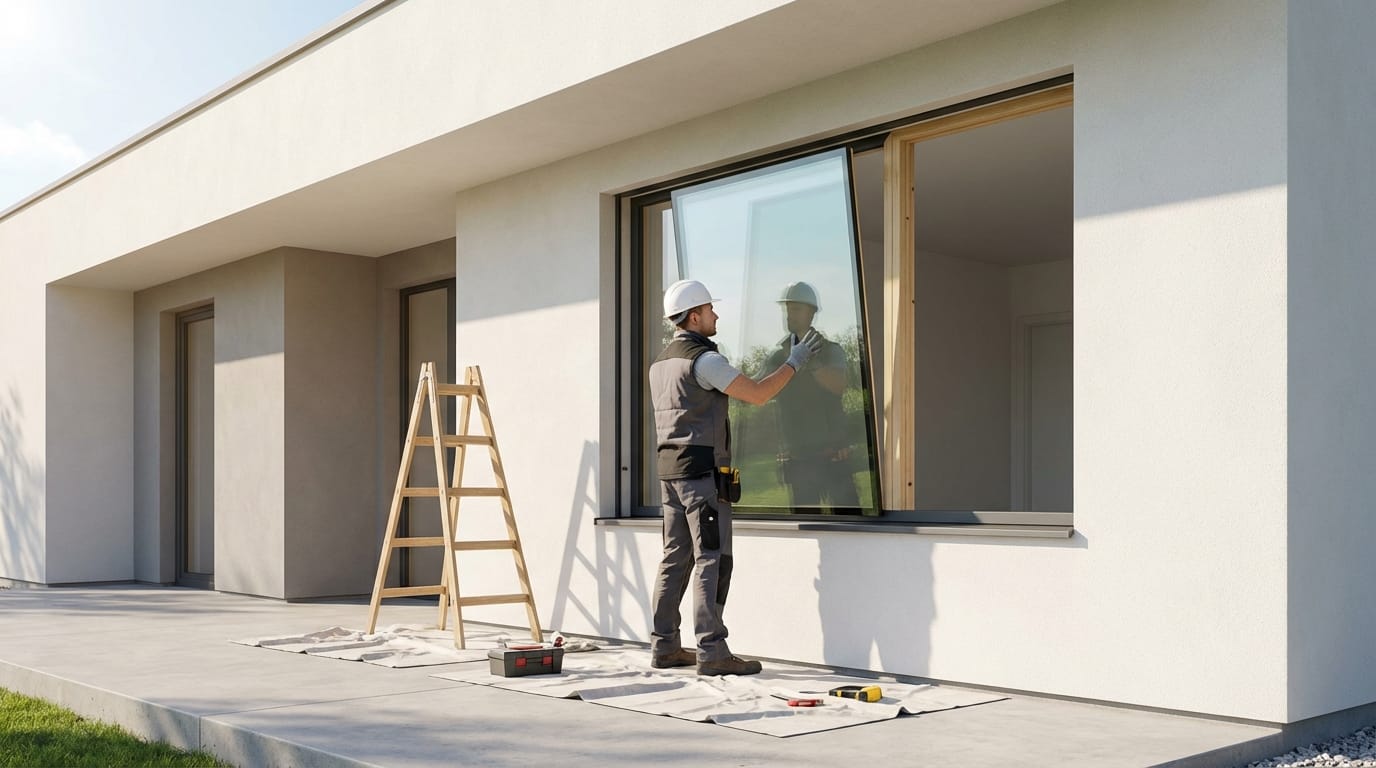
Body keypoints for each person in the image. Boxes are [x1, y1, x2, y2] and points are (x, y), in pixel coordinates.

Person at [648, 278, 821, 676]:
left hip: (670, 472)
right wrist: (794, 362)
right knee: (712, 558)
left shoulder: (661, 363)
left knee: (674, 558)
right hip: (702, 476)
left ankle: (665, 647)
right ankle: (712, 652)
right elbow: (757, 394)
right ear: (694, 316)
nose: (716, 314)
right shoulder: (703, 360)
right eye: (710, 309)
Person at [763, 282, 861, 514]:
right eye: (788, 309)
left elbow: (839, 386)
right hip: (799, 461)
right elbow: (757, 391)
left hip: (834, 457)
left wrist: (810, 363)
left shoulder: (831, 350)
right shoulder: (777, 357)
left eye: (796, 309)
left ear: (811, 313)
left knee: (851, 525)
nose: (790, 315)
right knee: (806, 528)